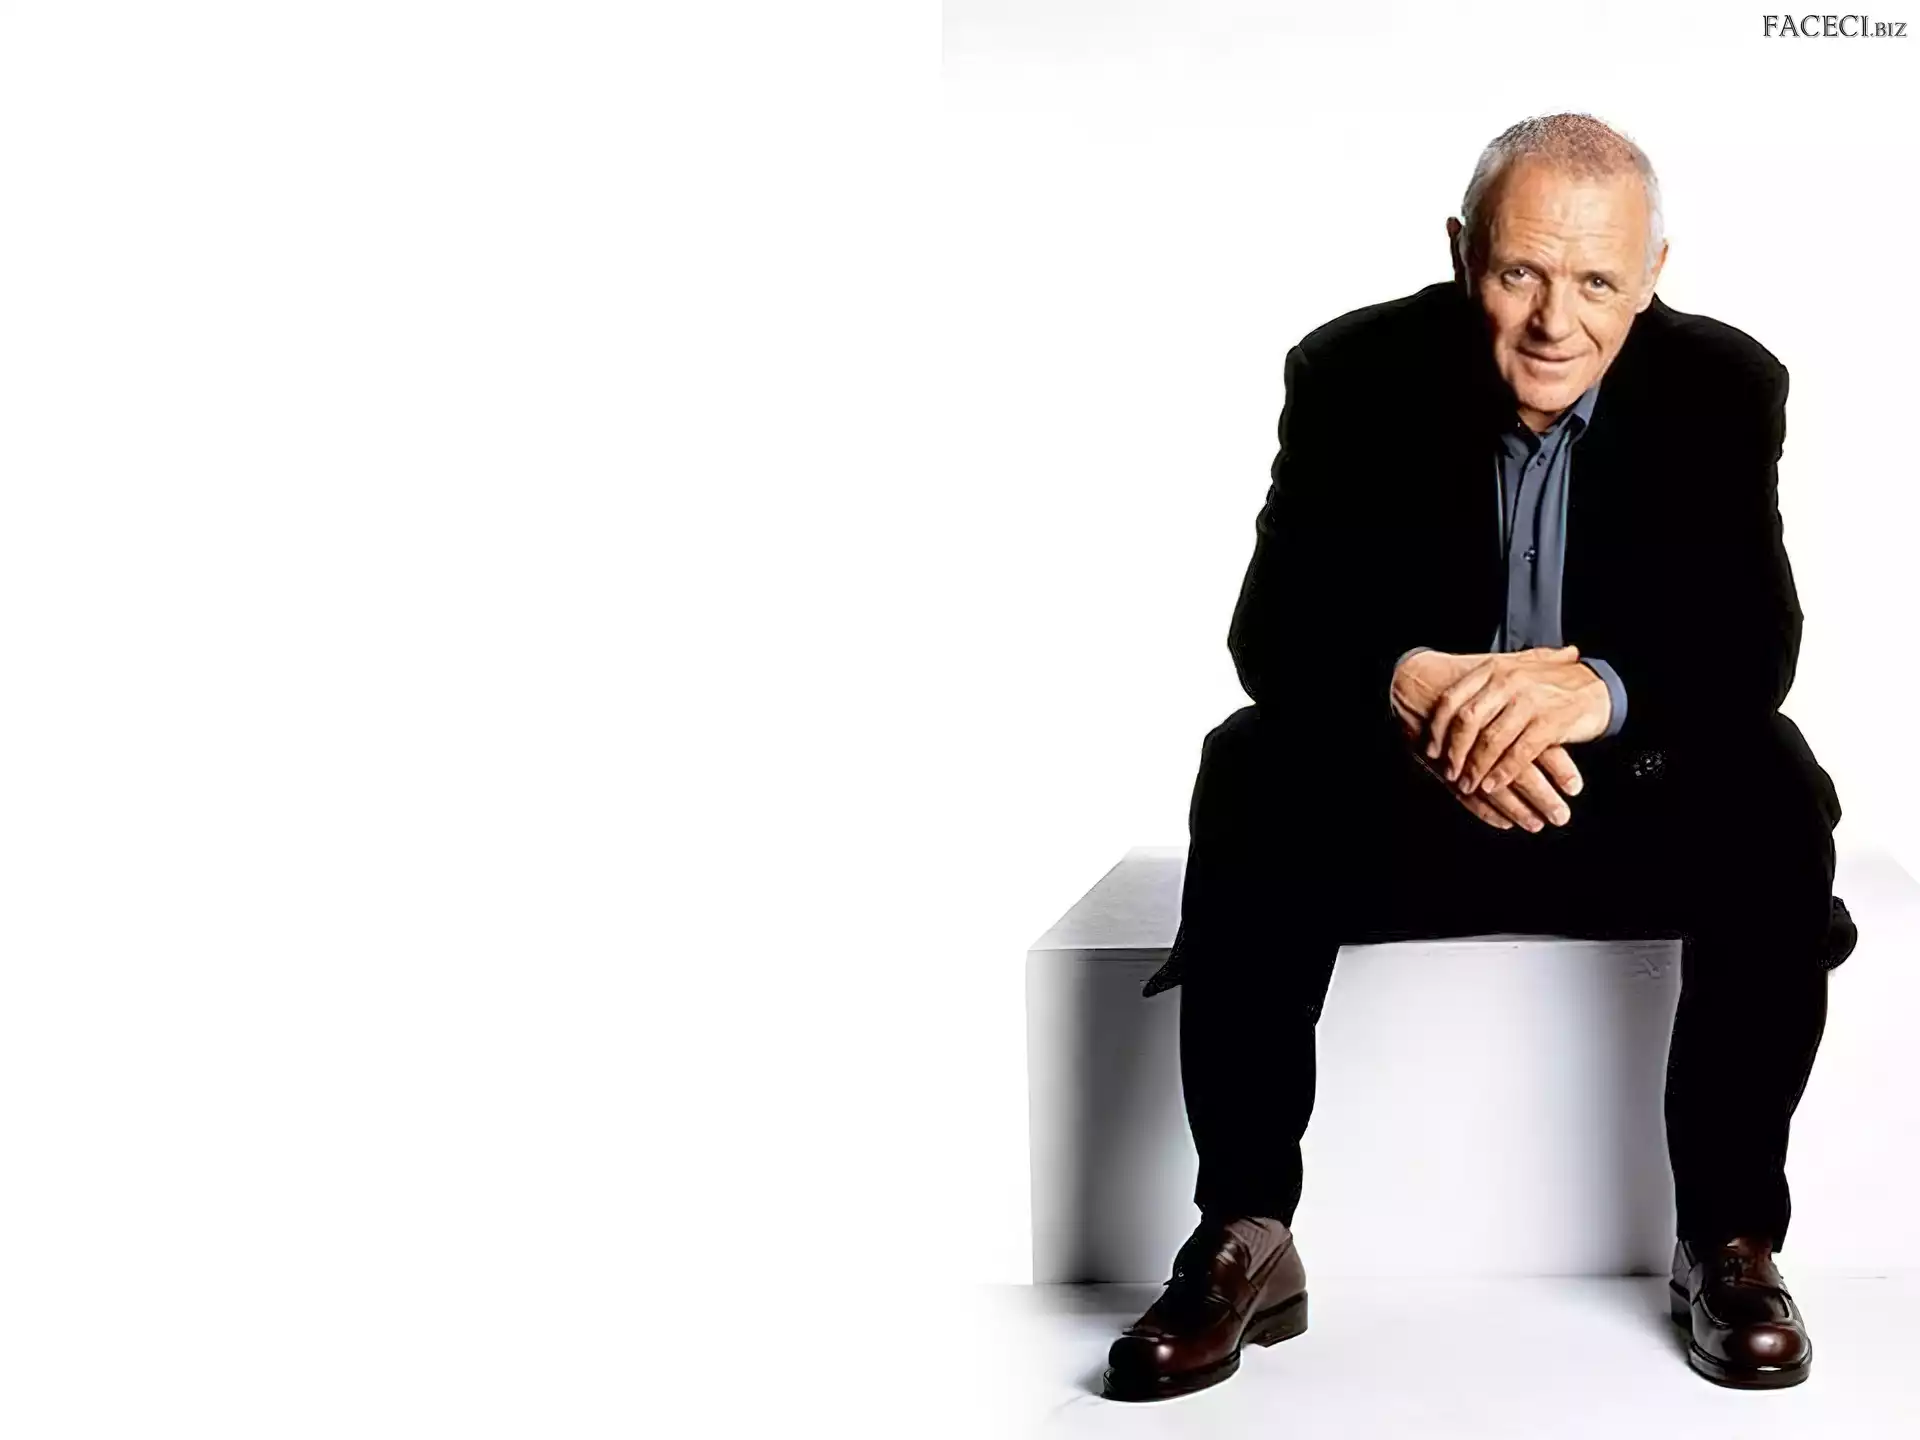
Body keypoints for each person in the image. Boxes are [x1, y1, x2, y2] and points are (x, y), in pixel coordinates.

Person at [1101, 113, 1854, 1402]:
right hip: (1403, 811)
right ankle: (1246, 1232)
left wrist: (1599, 690)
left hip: (1619, 810)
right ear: (1463, 255)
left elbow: (1753, 643)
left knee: (1776, 785)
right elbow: (1271, 628)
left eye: (1599, 282)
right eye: (1521, 273)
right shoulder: (1351, 370)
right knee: (1250, 765)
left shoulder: (1726, 385)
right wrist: (1410, 684)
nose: (1557, 321)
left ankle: (1729, 1241)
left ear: (1653, 273)